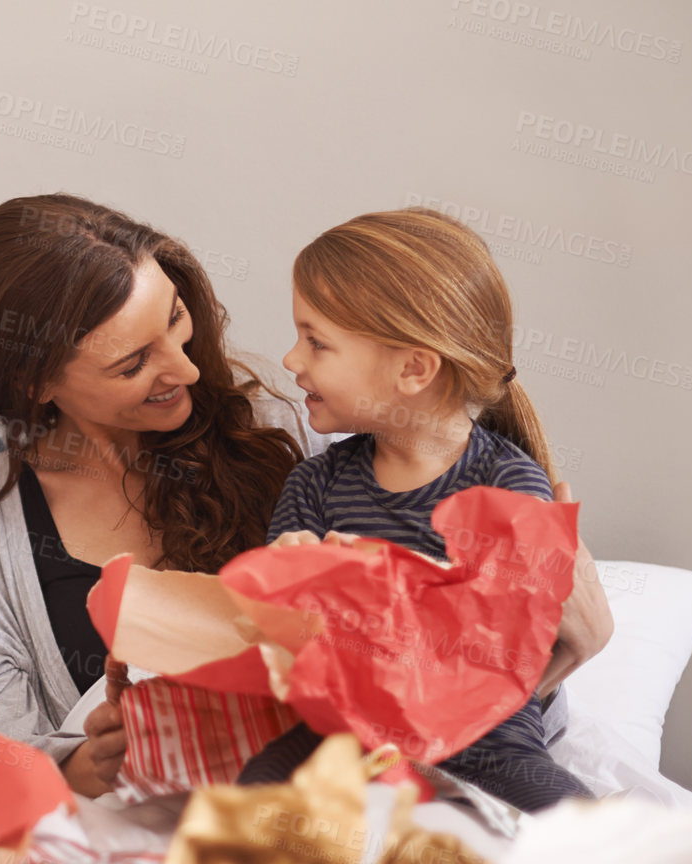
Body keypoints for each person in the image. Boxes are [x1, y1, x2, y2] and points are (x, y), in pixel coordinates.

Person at [0, 195, 308, 797]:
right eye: (133, 365)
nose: (190, 372)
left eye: (176, 319)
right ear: (36, 381)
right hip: (128, 839)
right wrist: (88, 764)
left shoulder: (277, 431)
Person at [257, 205, 599, 810]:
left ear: (413, 368)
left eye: (316, 342)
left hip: (483, 740)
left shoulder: (509, 485)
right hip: (342, 735)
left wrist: (382, 588)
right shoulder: (313, 486)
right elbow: (279, 647)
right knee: (253, 787)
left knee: (575, 819)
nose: (292, 359)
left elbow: (506, 645)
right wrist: (284, 582)